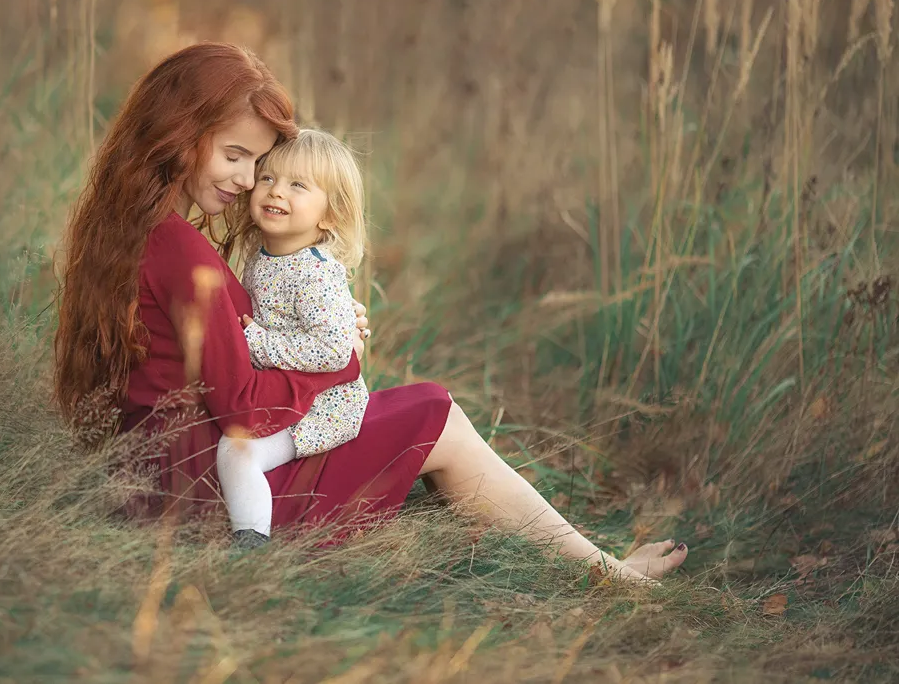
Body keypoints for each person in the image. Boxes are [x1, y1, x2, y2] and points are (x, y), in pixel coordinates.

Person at [52, 42, 687, 582]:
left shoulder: (132, 229)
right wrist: (336, 362)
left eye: (259, 163)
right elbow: (243, 404)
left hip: (168, 479)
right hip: (211, 498)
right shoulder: (180, 249)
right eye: (236, 156)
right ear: (181, 136)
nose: (250, 182)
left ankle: (598, 567)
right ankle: (611, 578)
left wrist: (313, 328)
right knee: (434, 413)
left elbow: (217, 356)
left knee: (427, 414)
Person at [216, 128, 374, 550]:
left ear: (330, 215)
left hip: (324, 407)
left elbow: (335, 351)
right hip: (292, 393)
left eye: (297, 185)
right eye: (267, 178)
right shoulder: (263, 258)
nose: (275, 192)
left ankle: (251, 548)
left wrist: (257, 344)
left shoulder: (313, 272)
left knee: (238, 452)